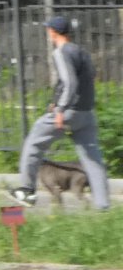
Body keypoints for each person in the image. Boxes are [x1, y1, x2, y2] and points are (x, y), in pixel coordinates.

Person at [11, 16, 111, 210]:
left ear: (53, 32)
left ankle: (27, 191)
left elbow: (70, 82)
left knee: (33, 143)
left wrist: (60, 108)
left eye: (48, 30)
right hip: (86, 113)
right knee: (93, 160)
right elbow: (90, 76)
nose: (47, 33)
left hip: (69, 112)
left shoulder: (61, 52)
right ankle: (103, 206)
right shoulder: (80, 51)